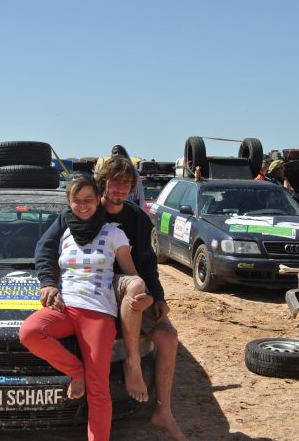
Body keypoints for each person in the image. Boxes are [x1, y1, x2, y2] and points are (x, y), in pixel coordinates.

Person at [35, 156, 186, 441]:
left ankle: (163, 410)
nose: (120, 189)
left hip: (127, 288)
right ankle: (132, 363)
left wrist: (158, 297)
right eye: (115, 182)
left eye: (126, 183)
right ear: (102, 183)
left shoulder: (137, 218)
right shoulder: (83, 210)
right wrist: (48, 283)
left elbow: (146, 262)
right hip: (92, 293)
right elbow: (46, 248)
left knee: (167, 336)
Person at [20, 176, 148, 441]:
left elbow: (131, 274)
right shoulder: (64, 231)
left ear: (98, 199)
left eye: (88, 199)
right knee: (30, 332)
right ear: (69, 202)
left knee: (99, 390)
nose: (83, 205)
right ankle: (77, 372)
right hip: (65, 308)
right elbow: (45, 255)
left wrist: (145, 295)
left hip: (98, 313)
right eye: (76, 200)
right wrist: (49, 284)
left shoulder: (114, 233)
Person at [110, 144, 146, 209]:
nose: (117, 155)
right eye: (115, 153)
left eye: (119, 152)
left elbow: (139, 196)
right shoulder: (108, 172)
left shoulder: (133, 173)